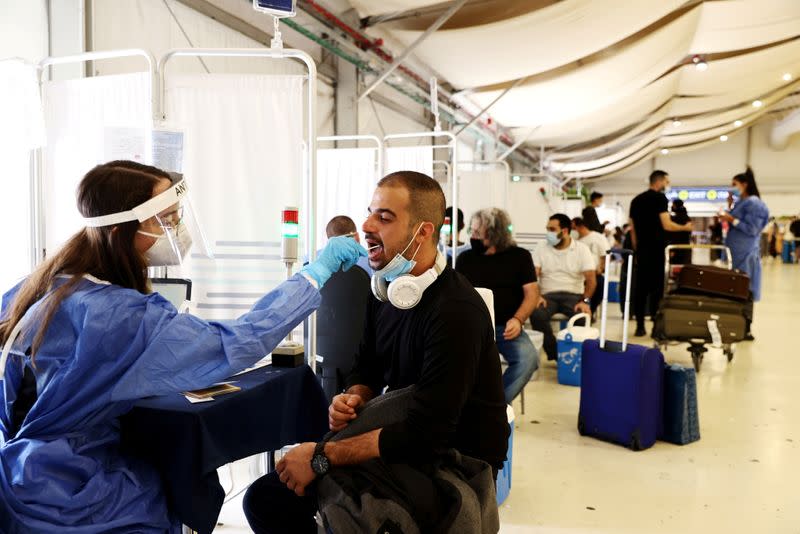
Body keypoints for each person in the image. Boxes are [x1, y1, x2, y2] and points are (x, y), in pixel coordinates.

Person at [0, 161, 366, 532]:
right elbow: (236, 341)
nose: (176, 228)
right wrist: (315, 273)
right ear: (119, 230)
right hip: (76, 489)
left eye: (176, 215)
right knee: (171, 489)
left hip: (18, 476)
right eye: (166, 219)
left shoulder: (41, 287)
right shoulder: (123, 317)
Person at [243, 171, 509, 534]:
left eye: (384, 217)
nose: (366, 225)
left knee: (296, 497)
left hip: (453, 462)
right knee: (267, 497)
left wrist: (321, 457)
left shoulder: (456, 313)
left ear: (424, 232)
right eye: (370, 212)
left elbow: (426, 434)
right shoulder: (386, 290)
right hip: (407, 440)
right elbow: (366, 368)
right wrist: (353, 397)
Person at [456, 208, 539, 403]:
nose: (473, 237)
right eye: (472, 232)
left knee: (528, 359)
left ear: (495, 235)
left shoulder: (520, 257)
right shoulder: (465, 259)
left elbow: (532, 294)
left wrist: (518, 320)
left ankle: (493, 405)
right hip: (472, 328)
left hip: (506, 327)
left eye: (478, 233)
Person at [629, 170, 693, 337]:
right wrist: (685, 228)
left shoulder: (636, 200)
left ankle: (640, 326)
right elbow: (667, 225)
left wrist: (637, 250)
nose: (667, 184)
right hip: (657, 249)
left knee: (641, 289)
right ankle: (656, 327)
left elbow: (633, 229)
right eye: (666, 181)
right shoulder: (660, 198)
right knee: (657, 289)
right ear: (660, 181)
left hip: (642, 250)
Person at [316, 216, 372, 402]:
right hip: (360, 358)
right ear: (356, 236)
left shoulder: (313, 262)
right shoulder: (370, 262)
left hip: (322, 354)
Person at [530, 214, 597, 361]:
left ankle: (577, 356)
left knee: (582, 318)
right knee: (536, 314)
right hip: (548, 296)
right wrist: (537, 296)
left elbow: (591, 279)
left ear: (565, 231)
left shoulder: (581, 249)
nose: (548, 233)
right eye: (547, 229)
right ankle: (556, 355)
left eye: (552, 229)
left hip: (574, 296)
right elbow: (532, 276)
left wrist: (584, 301)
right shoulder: (541, 247)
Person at [720, 167, 770, 339]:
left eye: (734, 184)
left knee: (745, 289)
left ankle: (746, 327)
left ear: (744, 184)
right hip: (736, 252)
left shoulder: (754, 203)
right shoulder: (742, 202)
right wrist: (729, 209)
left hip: (746, 253)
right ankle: (737, 323)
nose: (731, 187)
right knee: (735, 289)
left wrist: (731, 219)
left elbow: (752, 229)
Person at [572, 217, 609, 314]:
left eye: (573, 228)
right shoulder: (573, 240)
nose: (572, 231)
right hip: (577, 274)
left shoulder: (597, 237)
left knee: (600, 285)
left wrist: (601, 267)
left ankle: (591, 310)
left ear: (580, 226)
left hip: (594, 272)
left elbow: (604, 255)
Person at [668, 199, 692, 264]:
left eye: (673, 205)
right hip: (685, 248)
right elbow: (689, 230)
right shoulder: (687, 218)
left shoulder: (673, 219)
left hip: (675, 248)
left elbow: (673, 235)